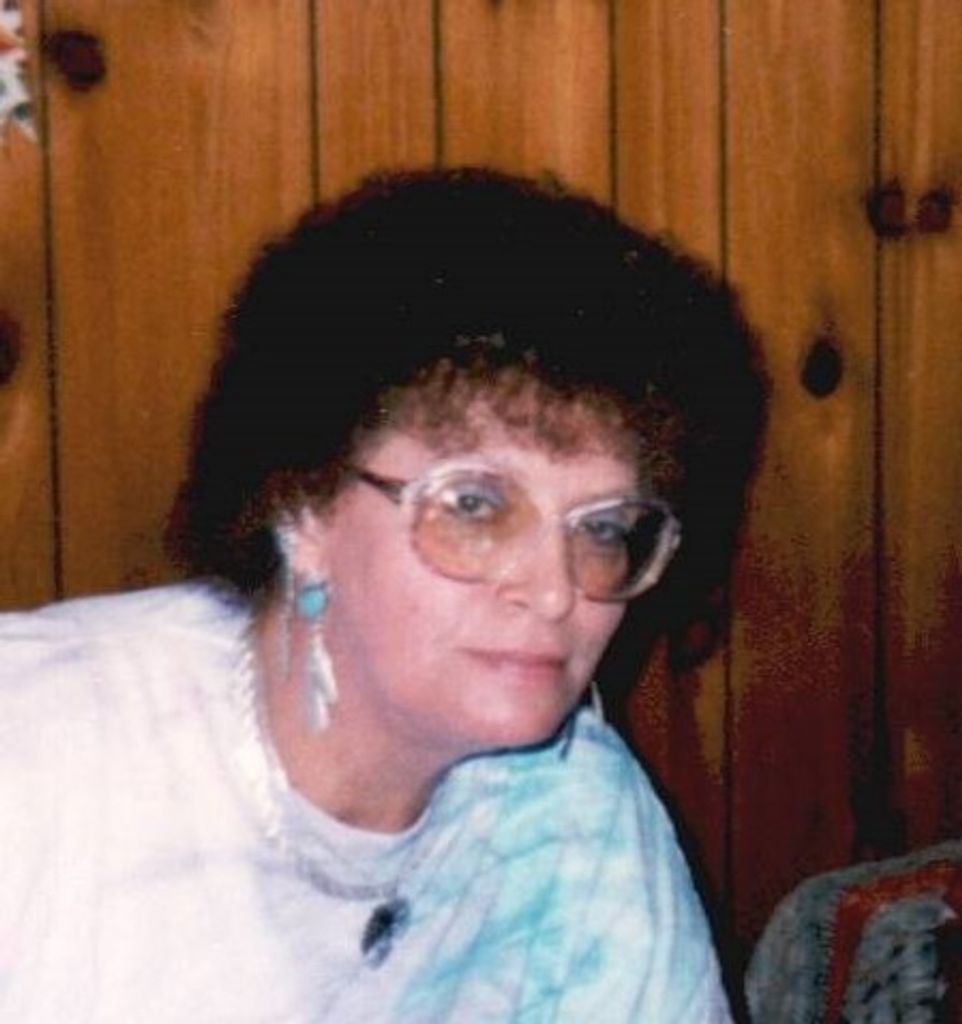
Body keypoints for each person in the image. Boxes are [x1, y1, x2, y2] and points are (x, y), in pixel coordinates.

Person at [0, 168, 764, 1022]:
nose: (554, 591)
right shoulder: (34, 748)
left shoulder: (575, 820)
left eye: (603, 528)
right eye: (474, 507)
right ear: (302, 507)